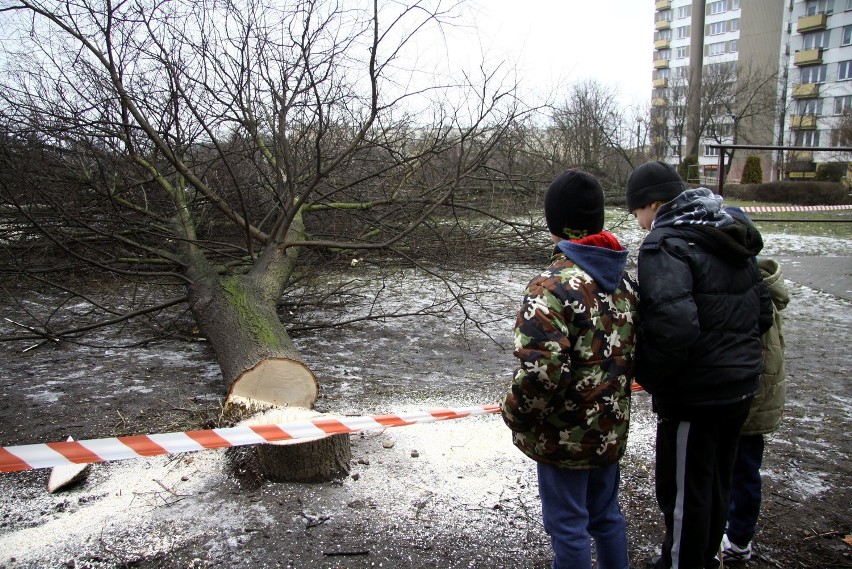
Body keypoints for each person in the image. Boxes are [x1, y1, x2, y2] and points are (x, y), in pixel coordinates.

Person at [624, 161, 773, 569]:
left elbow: (675, 326)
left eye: (636, 210)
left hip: (695, 397)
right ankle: (704, 558)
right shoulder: (726, 229)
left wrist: (651, 377)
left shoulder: (665, 244)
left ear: (653, 204)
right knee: (717, 485)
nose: (637, 221)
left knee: (683, 496)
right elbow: (763, 312)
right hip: (740, 388)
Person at [500, 169, 639, 569]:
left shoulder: (550, 287)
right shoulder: (623, 282)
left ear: (555, 224)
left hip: (565, 436)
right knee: (606, 516)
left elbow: (540, 374)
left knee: (568, 525)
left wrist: (515, 414)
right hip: (609, 430)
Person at [721, 254, 789, 563]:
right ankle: (732, 529)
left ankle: (738, 538)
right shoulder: (757, 281)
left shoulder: (749, 287)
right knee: (739, 468)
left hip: (749, 398)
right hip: (753, 396)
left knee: (743, 469)